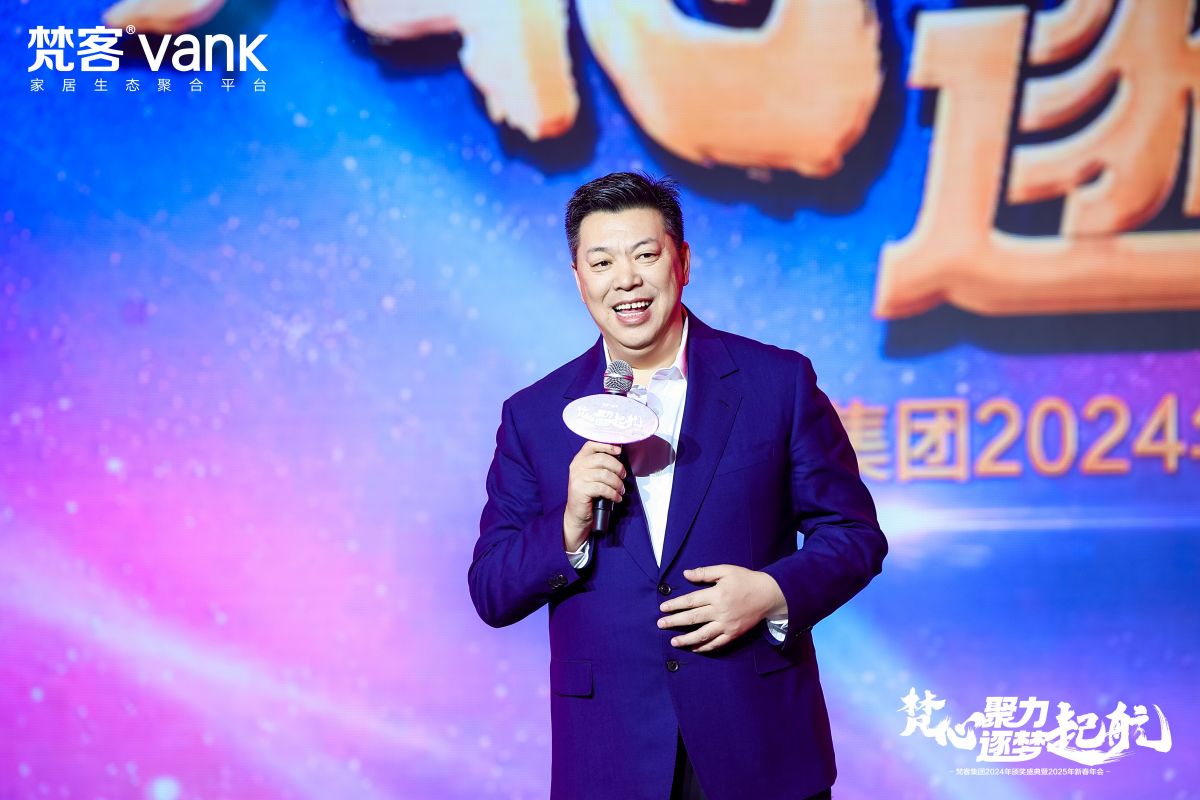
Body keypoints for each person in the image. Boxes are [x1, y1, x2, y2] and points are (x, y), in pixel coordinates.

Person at [469, 172, 887, 800]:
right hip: (610, 757)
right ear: (578, 278)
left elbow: (853, 536)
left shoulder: (777, 383)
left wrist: (772, 593)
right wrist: (568, 527)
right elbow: (491, 589)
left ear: (682, 261)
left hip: (759, 742)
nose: (626, 280)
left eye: (645, 254)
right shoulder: (534, 416)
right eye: (602, 262)